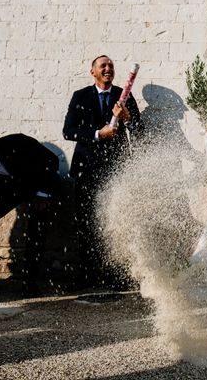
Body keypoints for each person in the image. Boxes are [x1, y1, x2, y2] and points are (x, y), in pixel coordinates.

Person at [63, 54, 143, 289]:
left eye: (111, 65)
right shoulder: (80, 96)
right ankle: (87, 275)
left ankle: (115, 275)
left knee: (114, 222)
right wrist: (99, 134)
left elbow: (138, 131)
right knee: (87, 223)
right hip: (86, 170)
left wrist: (127, 118)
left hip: (115, 171)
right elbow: (68, 131)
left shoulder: (123, 96)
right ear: (93, 72)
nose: (108, 69)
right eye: (103, 66)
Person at [0, 133, 60, 295]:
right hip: (3, 190)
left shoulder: (18, 143)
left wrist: (43, 194)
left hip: (34, 186)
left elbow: (52, 160)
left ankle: (29, 282)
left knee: (37, 226)